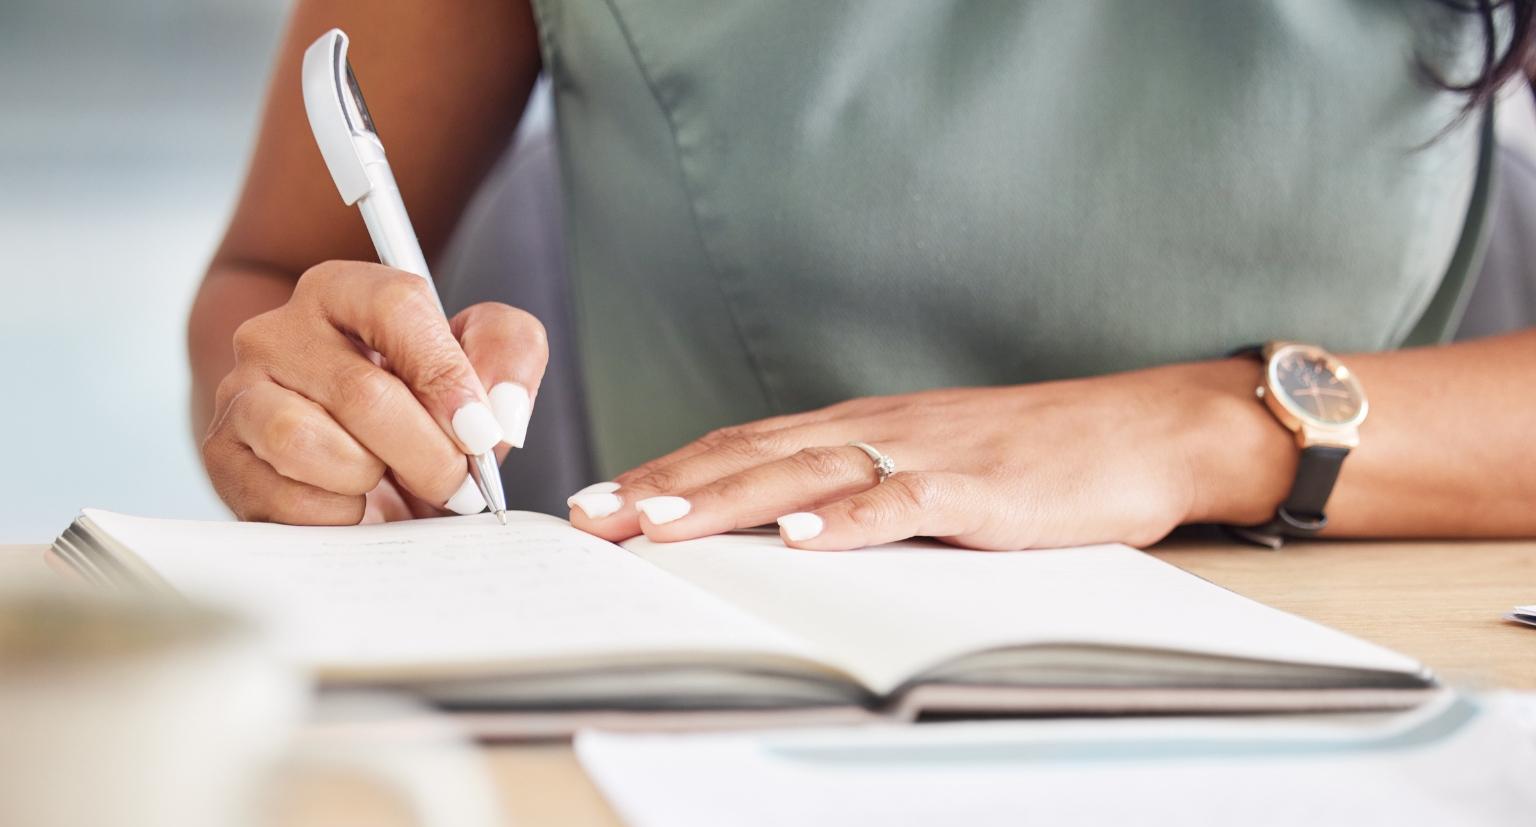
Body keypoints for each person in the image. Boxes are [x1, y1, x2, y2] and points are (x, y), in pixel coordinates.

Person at [190, 0, 1536, 552]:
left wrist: (1209, 428)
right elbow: (266, 275)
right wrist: (320, 428)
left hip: (1378, 672)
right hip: (721, 708)